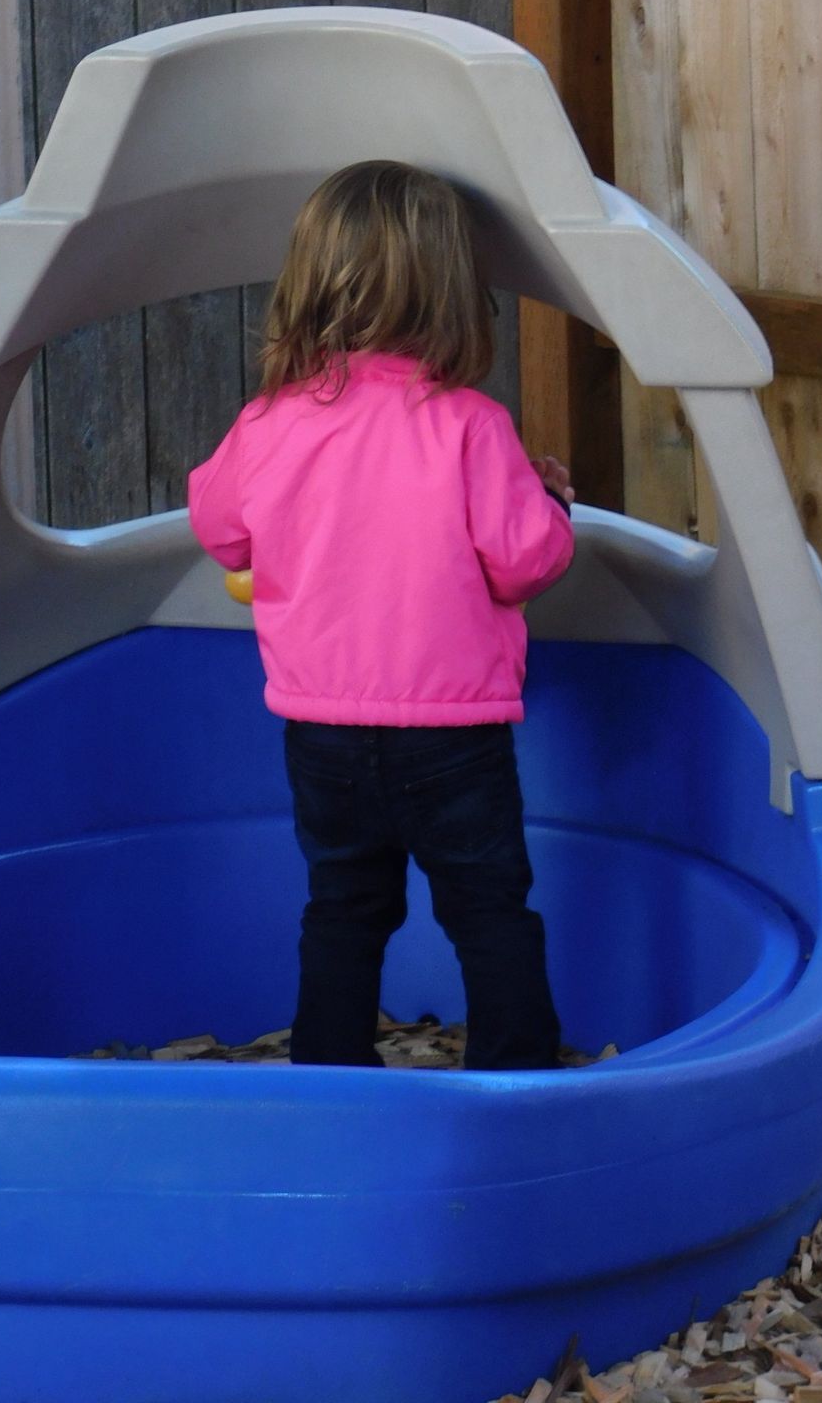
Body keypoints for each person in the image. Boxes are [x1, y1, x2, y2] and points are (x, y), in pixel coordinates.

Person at [187, 160, 575, 1070]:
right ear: (450, 296)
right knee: (488, 910)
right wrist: (553, 504)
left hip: (321, 728)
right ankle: (518, 1081)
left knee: (342, 907)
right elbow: (526, 564)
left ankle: (330, 1079)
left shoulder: (269, 420)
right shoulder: (472, 426)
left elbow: (221, 530)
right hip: (451, 733)